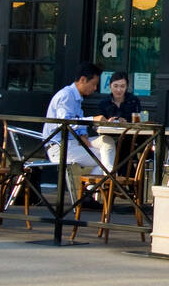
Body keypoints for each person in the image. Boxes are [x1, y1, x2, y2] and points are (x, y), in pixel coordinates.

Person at [42, 63, 107, 199]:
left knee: (108, 146)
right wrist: (92, 120)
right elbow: (66, 122)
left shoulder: (75, 97)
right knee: (105, 159)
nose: (95, 88)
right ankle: (90, 193)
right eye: (94, 84)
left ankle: (91, 192)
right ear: (83, 80)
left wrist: (83, 134)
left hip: (70, 142)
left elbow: (75, 121)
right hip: (59, 146)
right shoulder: (66, 96)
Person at [93, 70, 144, 173]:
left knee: (125, 150)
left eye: (122, 86)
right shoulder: (104, 103)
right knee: (117, 150)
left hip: (130, 139)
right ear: (110, 86)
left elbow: (138, 122)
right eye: (115, 86)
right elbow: (95, 125)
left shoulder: (133, 101)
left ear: (127, 87)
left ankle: (118, 183)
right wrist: (107, 122)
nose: (119, 90)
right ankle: (122, 184)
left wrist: (127, 123)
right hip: (110, 139)